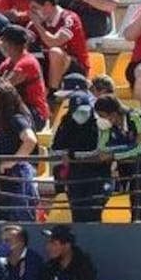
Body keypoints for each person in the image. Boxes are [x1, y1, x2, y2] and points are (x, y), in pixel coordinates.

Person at [95, 94, 141, 222]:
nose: (101, 119)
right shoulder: (107, 127)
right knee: (136, 213)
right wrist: (130, 145)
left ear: (113, 113)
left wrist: (115, 154)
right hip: (135, 174)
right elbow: (103, 149)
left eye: (102, 115)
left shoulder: (137, 118)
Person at [0, 79, 39, 222]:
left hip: (16, 176)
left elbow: (30, 140)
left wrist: (10, 162)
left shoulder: (16, 119)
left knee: (19, 217)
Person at [52, 91, 109, 222]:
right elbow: (56, 149)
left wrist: (71, 155)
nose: (81, 115)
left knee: (93, 213)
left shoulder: (99, 123)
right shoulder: (66, 123)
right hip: (75, 176)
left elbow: (97, 151)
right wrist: (68, 156)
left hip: (97, 175)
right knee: (77, 214)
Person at [27, 0, 91, 94]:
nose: (32, 13)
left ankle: (53, 92)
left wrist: (37, 25)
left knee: (55, 52)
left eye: (35, 8)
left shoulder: (69, 19)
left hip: (75, 67)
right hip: (49, 65)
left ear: (47, 5)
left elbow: (54, 42)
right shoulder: (35, 24)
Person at [0, 24, 49, 131]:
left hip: (35, 115)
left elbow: (3, 89)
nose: (1, 44)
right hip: (16, 110)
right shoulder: (8, 62)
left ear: (10, 44)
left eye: (3, 41)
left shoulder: (27, 63)